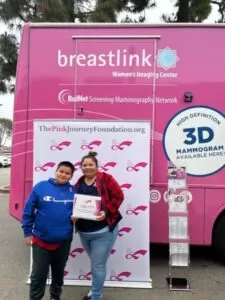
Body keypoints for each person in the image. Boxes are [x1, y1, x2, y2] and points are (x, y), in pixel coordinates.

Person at [73, 151, 124, 300]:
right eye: (84, 165)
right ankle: (95, 289)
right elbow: (75, 202)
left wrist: (106, 211)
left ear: (96, 166)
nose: (87, 167)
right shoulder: (79, 182)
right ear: (81, 167)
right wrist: (74, 215)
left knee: (98, 265)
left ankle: (96, 296)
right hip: (84, 231)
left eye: (91, 164)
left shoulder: (106, 179)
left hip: (103, 231)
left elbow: (119, 196)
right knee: (96, 263)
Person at [22, 161, 76, 300]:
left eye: (67, 173)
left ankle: (55, 297)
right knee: (38, 274)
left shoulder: (74, 192)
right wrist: (27, 233)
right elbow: (28, 210)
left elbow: (79, 212)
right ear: (56, 171)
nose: (63, 175)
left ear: (71, 176)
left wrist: (78, 217)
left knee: (58, 274)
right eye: (61, 171)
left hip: (63, 240)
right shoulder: (41, 187)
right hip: (41, 239)